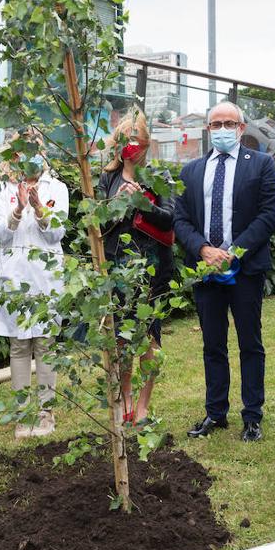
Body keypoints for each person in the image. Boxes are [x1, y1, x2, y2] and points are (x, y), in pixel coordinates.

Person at [173, 101, 275, 443]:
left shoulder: (262, 165)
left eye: (229, 123)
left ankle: (252, 416)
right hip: (205, 270)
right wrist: (204, 250)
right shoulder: (191, 171)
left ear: (240, 127)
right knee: (212, 343)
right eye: (215, 124)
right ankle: (215, 413)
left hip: (245, 269)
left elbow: (268, 215)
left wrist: (232, 254)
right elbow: (180, 219)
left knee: (250, 342)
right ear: (209, 130)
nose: (222, 129)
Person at [0, 131, 70, 438]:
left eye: (36, 148)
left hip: (46, 277)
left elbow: (57, 233)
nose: (30, 155)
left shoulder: (57, 187)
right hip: (13, 277)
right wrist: (17, 210)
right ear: (15, 154)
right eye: (23, 149)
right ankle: (22, 413)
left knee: (46, 342)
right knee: (19, 344)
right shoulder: (3, 188)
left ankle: (45, 412)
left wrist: (39, 210)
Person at [99, 110, 175, 422]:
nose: (132, 148)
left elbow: (170, 218)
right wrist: (117, 202)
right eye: (126, 142)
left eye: (137, 141)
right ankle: (126, 401)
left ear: (146, 144)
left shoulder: (159, 176)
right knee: (121, 340)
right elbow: (96, 225)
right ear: (118, 145)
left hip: (152, 269)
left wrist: (142, 202)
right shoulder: (107, 178)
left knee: (149, 339)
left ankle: (143, 405)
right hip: (117, 270)